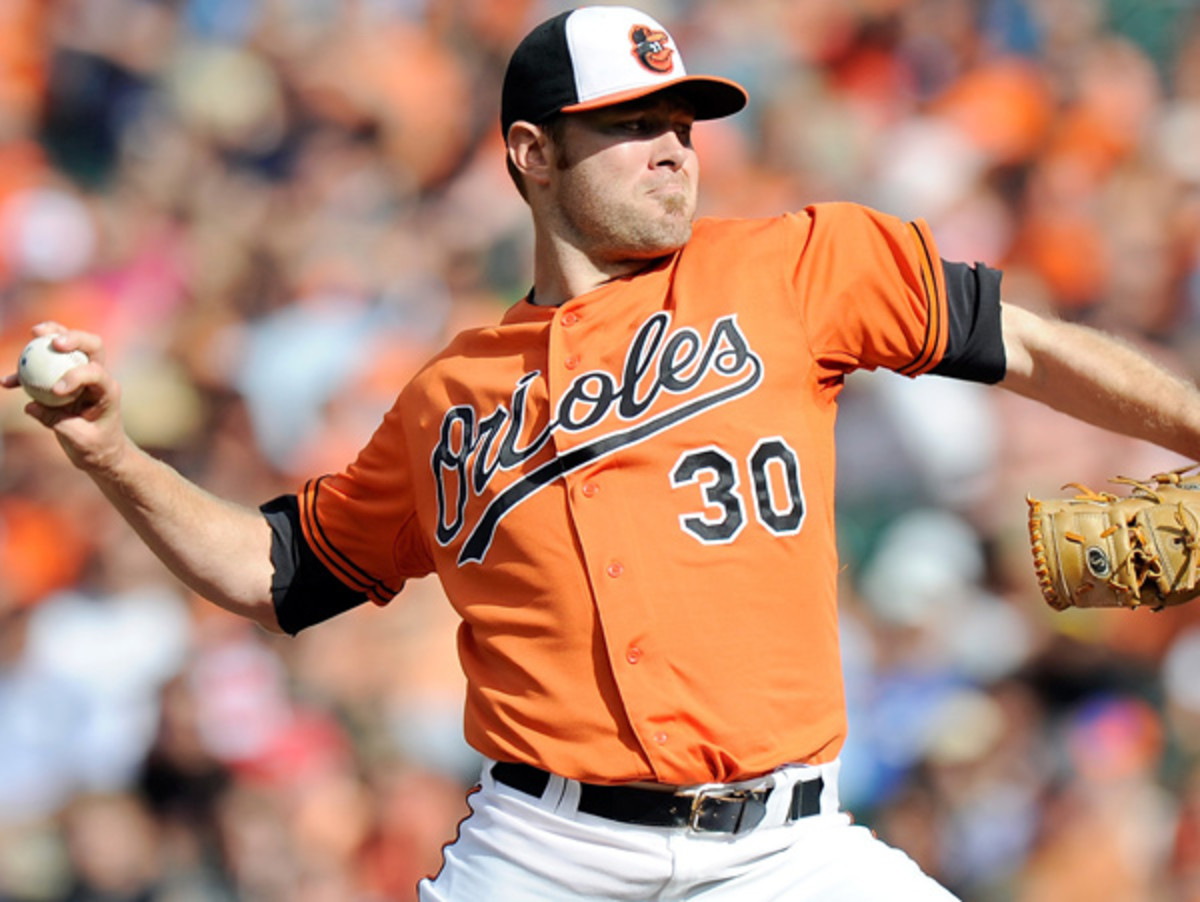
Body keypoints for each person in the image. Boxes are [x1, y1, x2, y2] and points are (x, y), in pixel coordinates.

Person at [7, 6, 1200, 900]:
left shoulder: (797, 264)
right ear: (530, 153)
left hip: (785, 846)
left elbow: (1032, 348)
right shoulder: (444, 398)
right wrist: (108, 447)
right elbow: (272, 571)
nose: (675, 148)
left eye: (681, 124)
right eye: (630, 127)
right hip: (542, 849)